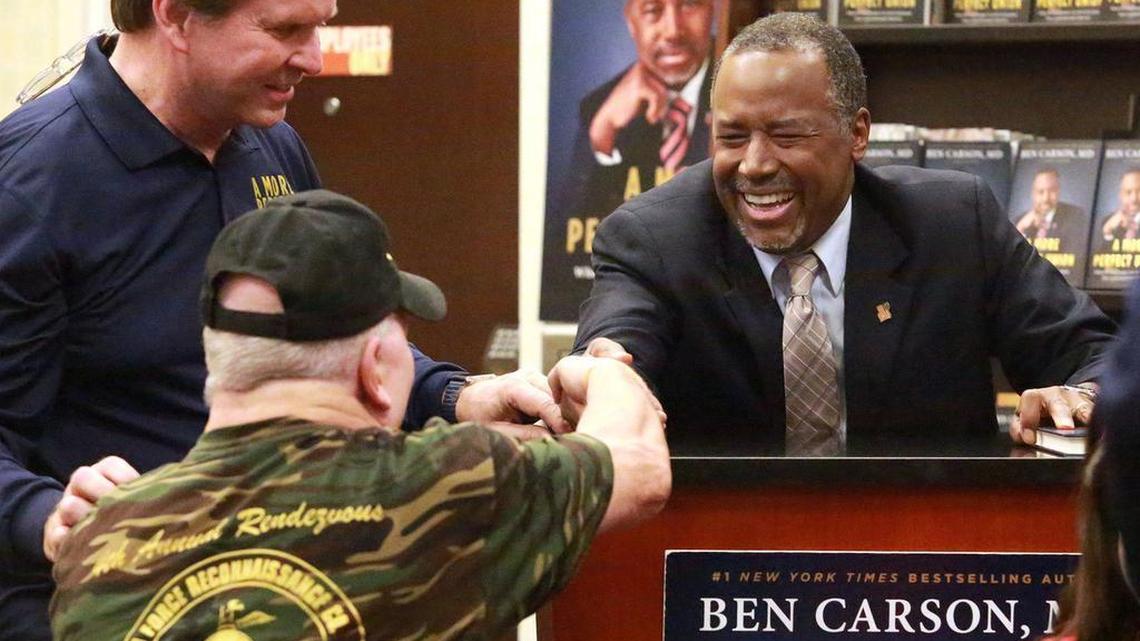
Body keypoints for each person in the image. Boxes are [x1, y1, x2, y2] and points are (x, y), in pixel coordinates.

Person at [0, 1, 563, 638]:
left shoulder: (269, 144)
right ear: (177, 17)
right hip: (99, 607)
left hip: (286, 588)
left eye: (320, 24)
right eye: (285, 30)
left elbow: (332, 336)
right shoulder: (30, 183)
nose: (316, 60)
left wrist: (459, 396)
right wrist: (46, 515)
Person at [48, 189, 671, 641]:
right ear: (375, 369)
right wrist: (601, 368)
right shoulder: (455, 485)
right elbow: (639, 467)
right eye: (402, 339)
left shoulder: (101, 539)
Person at [574, 13, 1114, 455]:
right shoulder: (653, 239)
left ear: (856, 134)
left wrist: (1079, 396)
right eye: (732, 137)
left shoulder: (952, 224)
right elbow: (610, 358)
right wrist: (605, 379)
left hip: (928, 558)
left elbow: (1095, 354)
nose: (755, 166)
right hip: (725, 566)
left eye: (786, 135)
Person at [1013, 168, 1088, 252]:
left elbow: (1075, 254)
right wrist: (1021, 229)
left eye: (1052, 191)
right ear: (1033, 194)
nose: (1046, 198)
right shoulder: (1019, 222)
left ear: (1058, 191)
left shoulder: (1075, 217)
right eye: (1041, 192)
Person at [1098, 169, 1140, 245]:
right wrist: (1108, 232)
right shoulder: (1107, 222)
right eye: (1128, 192)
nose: (1134, 199)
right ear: (1121, 195)